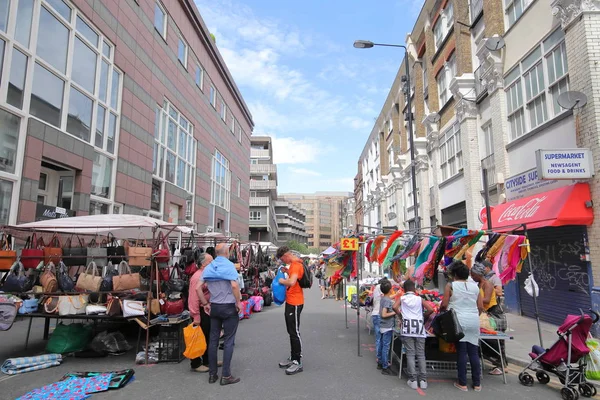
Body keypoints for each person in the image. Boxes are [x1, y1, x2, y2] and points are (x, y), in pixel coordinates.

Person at [197, 243, 242, 386]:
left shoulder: (209, 267)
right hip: (228, 307)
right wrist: (238, 302)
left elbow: (198, 287)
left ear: (216, 253)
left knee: (213, 340)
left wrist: (205, 303)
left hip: (214, 307)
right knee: (229, 341)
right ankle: (226, 376)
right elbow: (234, 285)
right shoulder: (229, 266)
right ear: (227, 253)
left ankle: (212, 374)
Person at [440, 260, 484, 392]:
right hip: (473, 320)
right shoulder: (475, 287)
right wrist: (473, 314)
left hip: (458, 321)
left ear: (455, 275)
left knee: (462, 352)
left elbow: (444, 304)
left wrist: (443, 311)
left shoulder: (451, 286)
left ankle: (462, 383)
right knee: (474, 352)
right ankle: (477, 384)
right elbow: (480, 307)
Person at [393, 279, 434, 390]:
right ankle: (423, 380)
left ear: (404, 289)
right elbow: (431, 309)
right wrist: (423, 317)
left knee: (410, 354)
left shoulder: (402, 298)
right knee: (421, 354)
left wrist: (401, 316)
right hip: (419, 329)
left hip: (407, 328)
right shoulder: (419, 299)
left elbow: (394, 307)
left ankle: (413, 380)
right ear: (414, 289)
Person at [188, 253, 223, 373]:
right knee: (198, 338)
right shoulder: (197, 277)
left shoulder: (206, 274)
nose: (213, 263)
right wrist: (196, 315)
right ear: (203, 264)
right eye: (210, 261)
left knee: (208, 337)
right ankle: (196, 363)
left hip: (207, 309)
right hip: (200, 311)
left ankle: (208, 361)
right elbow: (193, 298)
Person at [472, 262, 508, 376]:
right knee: (490, 341)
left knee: (497, 342)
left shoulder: (488, 284)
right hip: (486, 314)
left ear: (478, 274)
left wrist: (472, 299)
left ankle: (502, 366)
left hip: (494, 315)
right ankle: (500, 364)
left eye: (473, 275)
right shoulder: (479, 285)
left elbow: (486, 300)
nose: (472, 277)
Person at [276, 246, 305, 375]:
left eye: (283, 259)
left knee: (294, 332)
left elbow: (292, 282)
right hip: (291, 302)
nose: (284, 261)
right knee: (291, 331)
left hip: (295, 302)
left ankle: (297, 361)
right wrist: (286, 271)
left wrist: (281, 280)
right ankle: (293, 358)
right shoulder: (293, 265)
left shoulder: (296, 265)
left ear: (286, 255)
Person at [378, 279, 395, 375]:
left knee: (382, 345)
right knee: (386, 347)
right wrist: (394, 312)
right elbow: (384, 314)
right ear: (390, 289)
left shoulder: (383, 298)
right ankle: (385, 366)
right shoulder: (387, 301)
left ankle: (380, 362)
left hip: (382, 325)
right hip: (387, 326)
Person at [371, 278, 385, 369]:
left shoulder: (375, 289)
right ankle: (381, 358)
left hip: (375, 314)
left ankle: (378, 356)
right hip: (379, 314)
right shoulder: (380, 288)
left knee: (378, 337)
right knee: (382, 338)